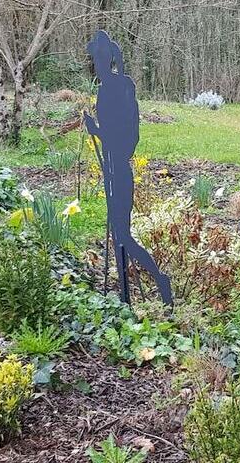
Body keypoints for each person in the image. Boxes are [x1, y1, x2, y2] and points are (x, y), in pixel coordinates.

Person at [83, 30, 173, 306]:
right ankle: (124, 295)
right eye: (93, 59)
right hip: (114, 169)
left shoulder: (116, 88)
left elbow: (123, 135)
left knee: (123, 236)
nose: (95, 63)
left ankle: (159, 279)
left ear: (107, 59)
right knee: (119, 238)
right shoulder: (117, 86)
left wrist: (95, 130)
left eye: (98, 58)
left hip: (118, 171)